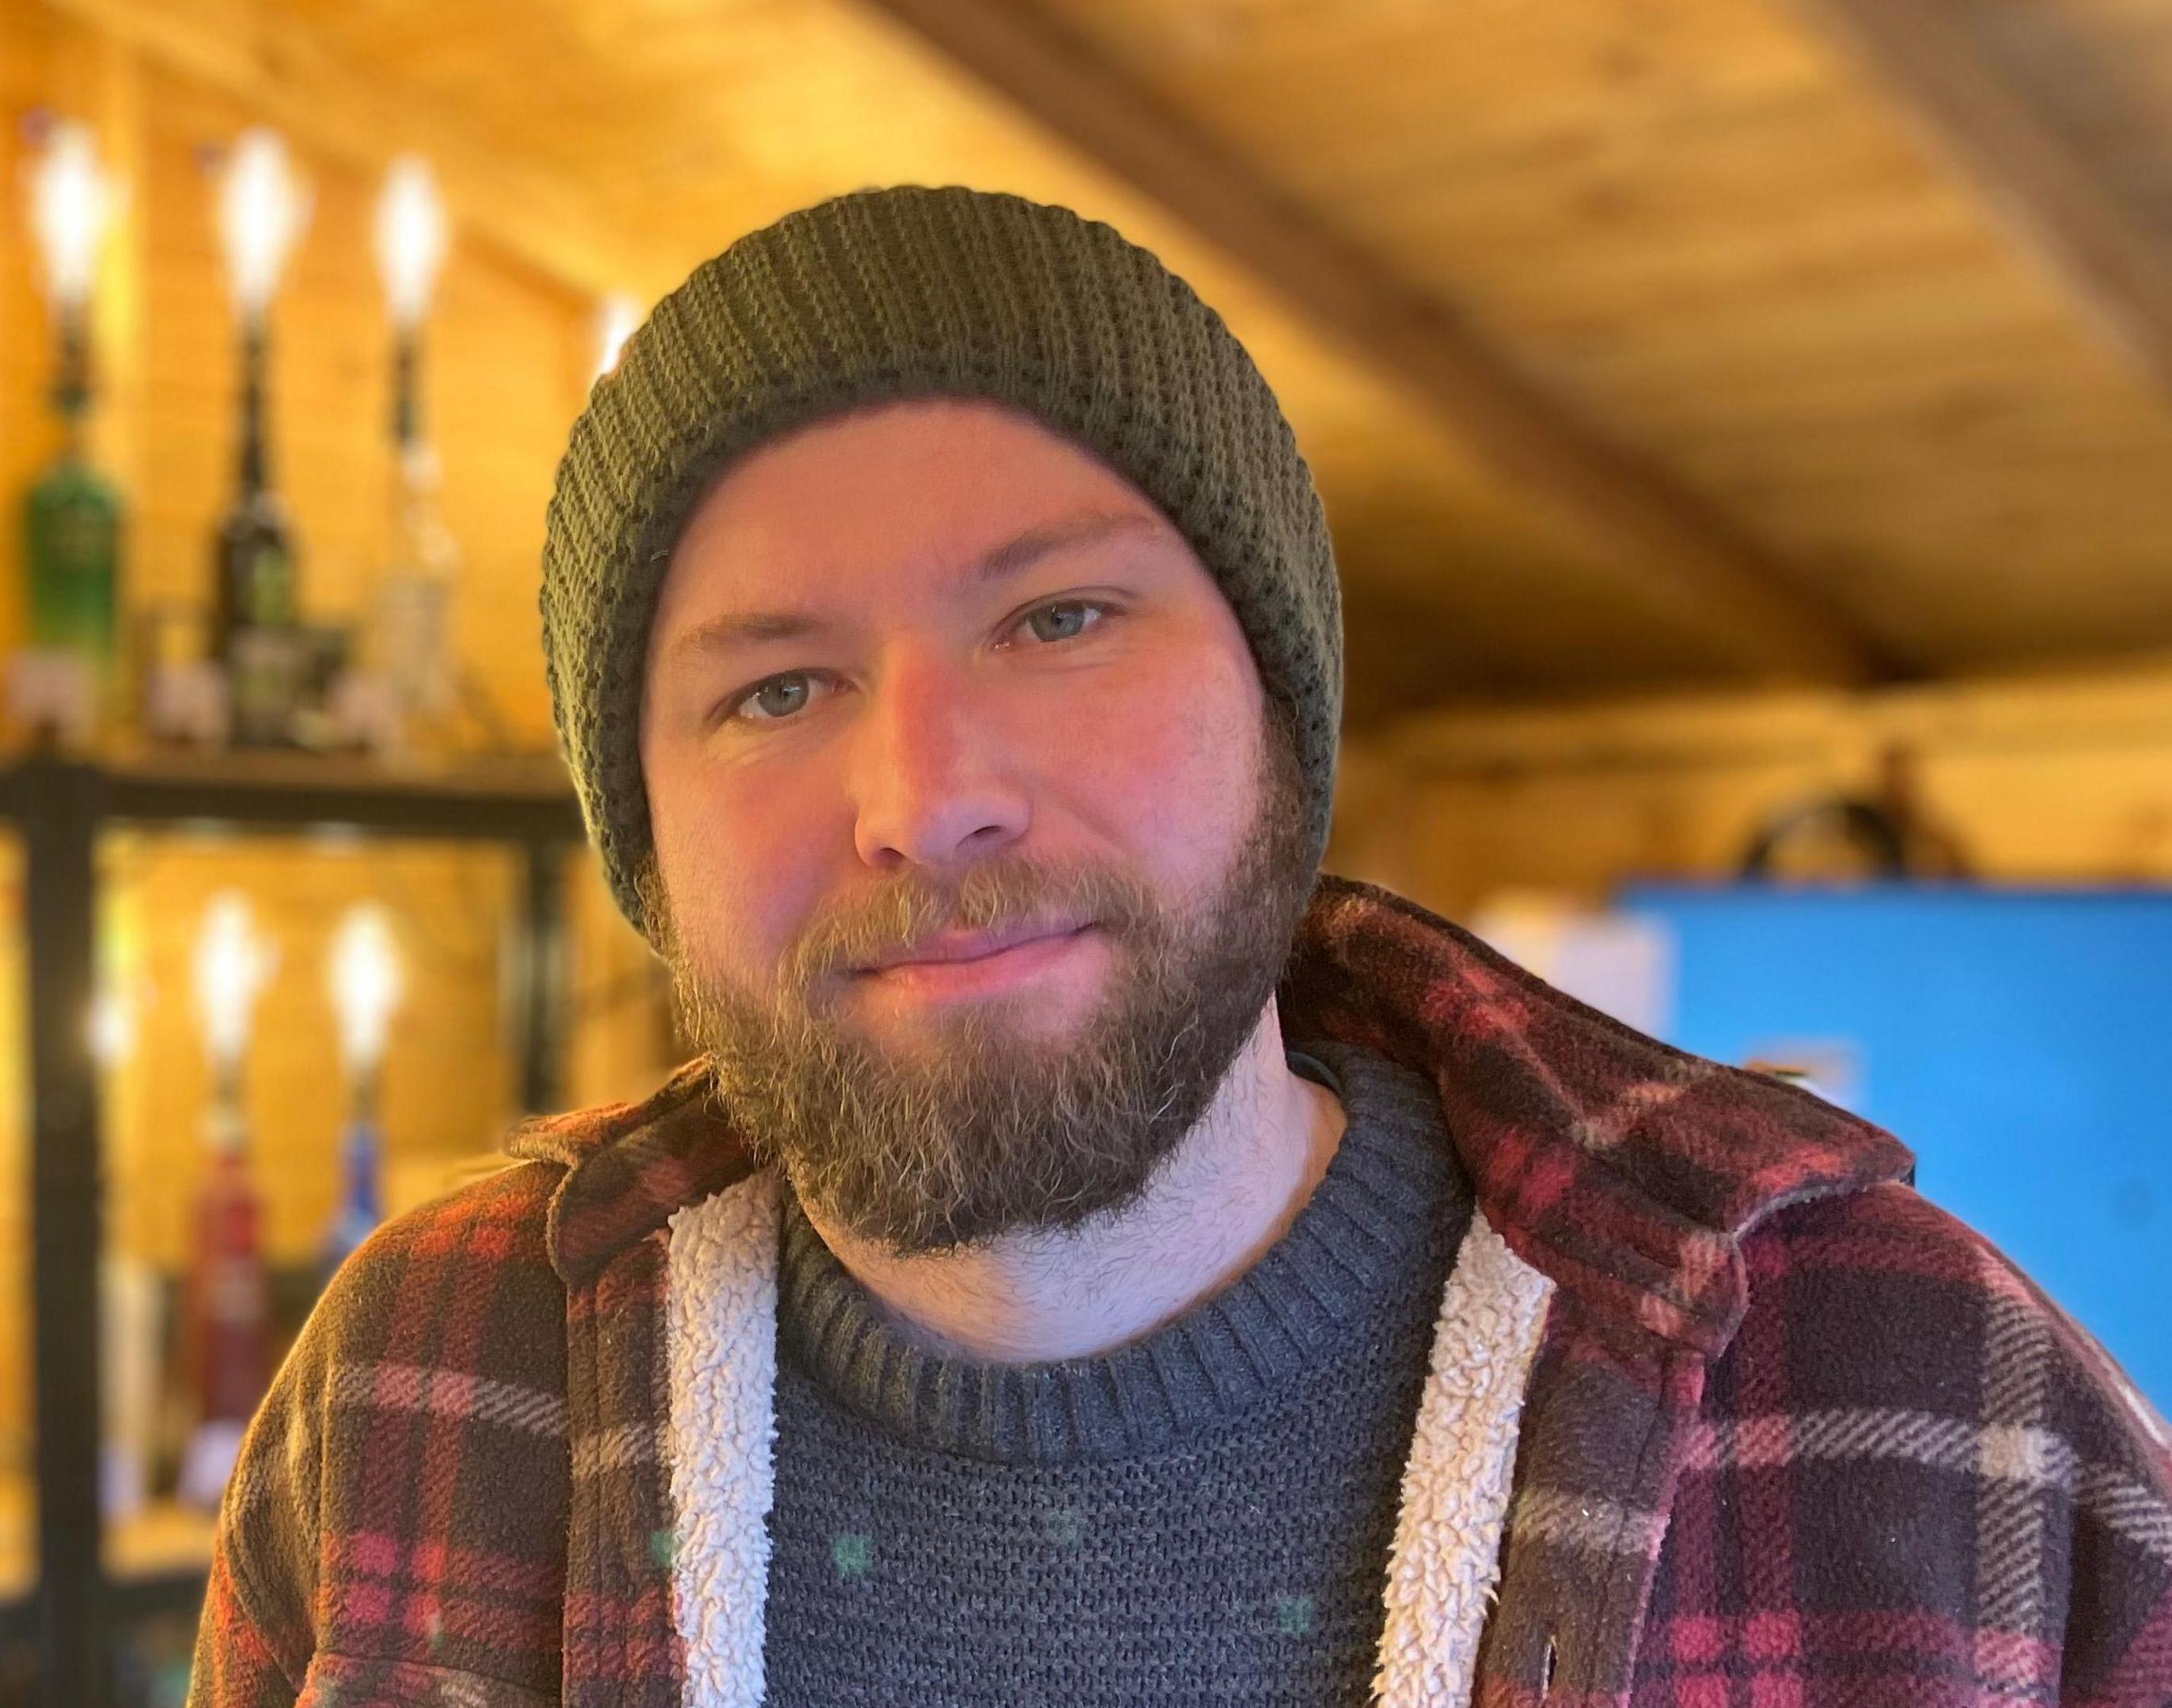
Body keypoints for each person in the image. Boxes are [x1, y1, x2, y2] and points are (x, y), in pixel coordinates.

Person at [188, 186, 2172, 1707]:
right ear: (645, 839)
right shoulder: (424, 1393)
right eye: (775, 688)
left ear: (1282, 722)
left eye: (1058, 620)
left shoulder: (1915, 1410)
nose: (924, 794)